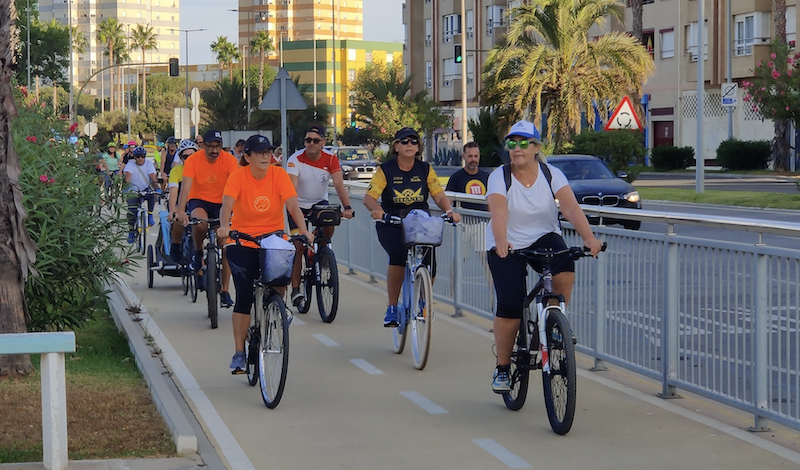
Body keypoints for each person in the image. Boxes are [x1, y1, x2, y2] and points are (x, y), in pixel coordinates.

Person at [485, 120, 602, 393]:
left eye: (524, 143)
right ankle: (502, 368)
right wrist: (501, 240)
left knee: (565, 263)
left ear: (536, 147)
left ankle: (554, 320)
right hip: (507, 242)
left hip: (543, 236)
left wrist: (588, 237)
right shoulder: (499, 177)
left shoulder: (551, 174)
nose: (517, 148)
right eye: (512, 143)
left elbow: (571, 208)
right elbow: (499, 212)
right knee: (511, 306)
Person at [217, 134, 313, 373]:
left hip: (272, 239)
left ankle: (276, 308)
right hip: (242, 239)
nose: (265, 156)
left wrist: (303, 231)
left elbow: (292, 205)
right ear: (246, 156)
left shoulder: (278, 175)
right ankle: (239, 352)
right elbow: (227, 205)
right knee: (244, 295)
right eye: (259, 152)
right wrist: (224, 227)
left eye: (268, 152)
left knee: (279, 281)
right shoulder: (238, 176)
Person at [363, 127, 461, 327]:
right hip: (392, 221)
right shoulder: (386, 170)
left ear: (418, 147)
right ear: (396, 146)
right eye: (404, 141)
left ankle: (424, 300)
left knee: (430, 260)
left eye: (414, 141)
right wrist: (377, 211)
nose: (409, 145)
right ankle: (392, 307)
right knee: (398, 255)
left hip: (419, 222)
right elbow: (369, 198)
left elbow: (438, 195)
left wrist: (450, 211)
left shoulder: (425, 169)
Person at [285, 125, 355, 307]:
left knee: (329, 226)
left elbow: (339, 185)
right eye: (308, 140)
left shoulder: (330, 158)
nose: (311, 144)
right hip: (297, 205)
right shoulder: (295, 159)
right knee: (298, 245)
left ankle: (323, 255)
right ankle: (295, 290)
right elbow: (290, 190)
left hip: (319, 203)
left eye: (315, 141)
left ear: (323, 142)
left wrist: (347, 206)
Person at [175, 129, 239, 308]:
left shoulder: (230, 160)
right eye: (210, 146)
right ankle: (197, 251)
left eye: (218, 147)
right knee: (201, 224)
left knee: (226, 246)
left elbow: (235, 188)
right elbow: (185, 188)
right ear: (202, 146)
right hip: (199, 200)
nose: (214, 151)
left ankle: (225, 291)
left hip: (222, 203)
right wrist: (180, 211)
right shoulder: (194, 160)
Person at [166, 139, 198, 262]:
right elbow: (173, 192)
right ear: (180, 158)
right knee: (177, 221)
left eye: (192, 156)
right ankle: (176, 245)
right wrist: (173, 211)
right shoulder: (176, 171)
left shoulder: (202, 169)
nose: (189, 159)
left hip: (198, 205)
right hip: (181, 205)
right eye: (185, 157)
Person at [123, 146, 160, 244]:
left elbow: (152, 176)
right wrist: (125, 187)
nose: (140, 159)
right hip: (133, 190)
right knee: (131, 211)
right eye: (138, 156)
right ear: (134, 158)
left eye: (143, 156)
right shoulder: (130, 164)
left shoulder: (149, 164)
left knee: (152, 196)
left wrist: (157, 187)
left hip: (145, 188)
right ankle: (131, 231)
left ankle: (150, 215)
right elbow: (128, 176)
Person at [445, 141, 490, 211]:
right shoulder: (456, 178)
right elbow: (447, 202)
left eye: (476, 156)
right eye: (470, 156)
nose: (473, 159)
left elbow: (492, 203)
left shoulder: (487, 177)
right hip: (463, 220)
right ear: (463, 157)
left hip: (484, 220)